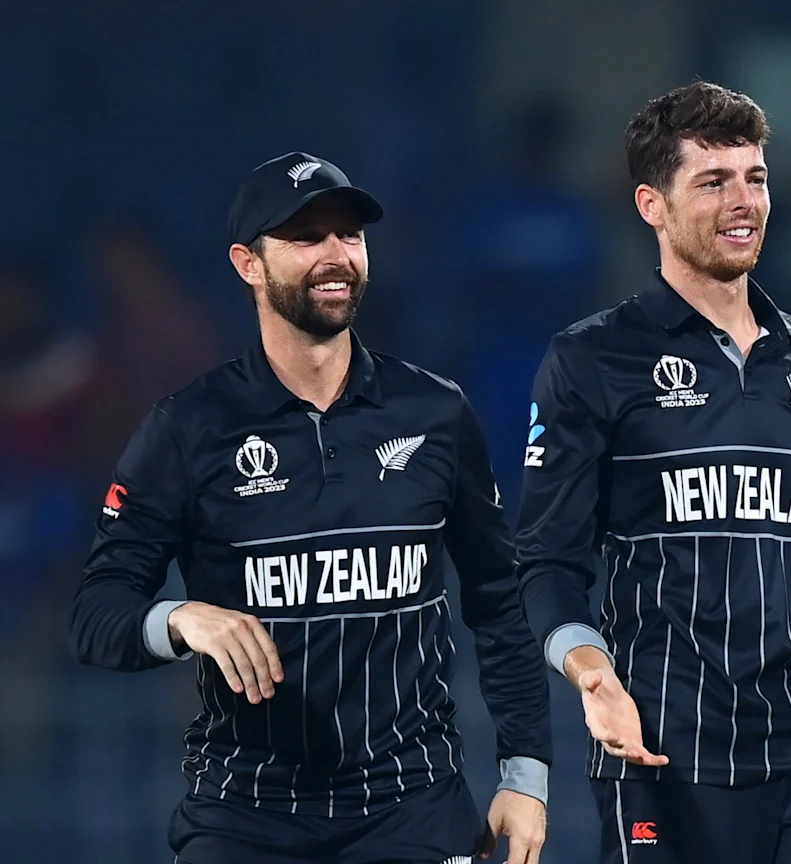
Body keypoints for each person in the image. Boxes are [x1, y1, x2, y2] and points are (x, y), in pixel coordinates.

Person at [69, 152, 553, 864]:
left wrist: (526, 776)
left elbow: (499, 603)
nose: (336, 255)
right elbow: (95, 614)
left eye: (349, 235)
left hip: (412, 808)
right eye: (306, 237)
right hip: (245, 812)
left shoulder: (435, 411)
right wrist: (179, 619)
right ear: (248, 264)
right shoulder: (188, 429)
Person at [513, 81, 791, 864]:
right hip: (663, 755)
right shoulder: (593, 359)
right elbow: (545, 560)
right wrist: (593, 677)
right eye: (713, 182)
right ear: (651, 205)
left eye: (756, 179)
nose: (744, 203)